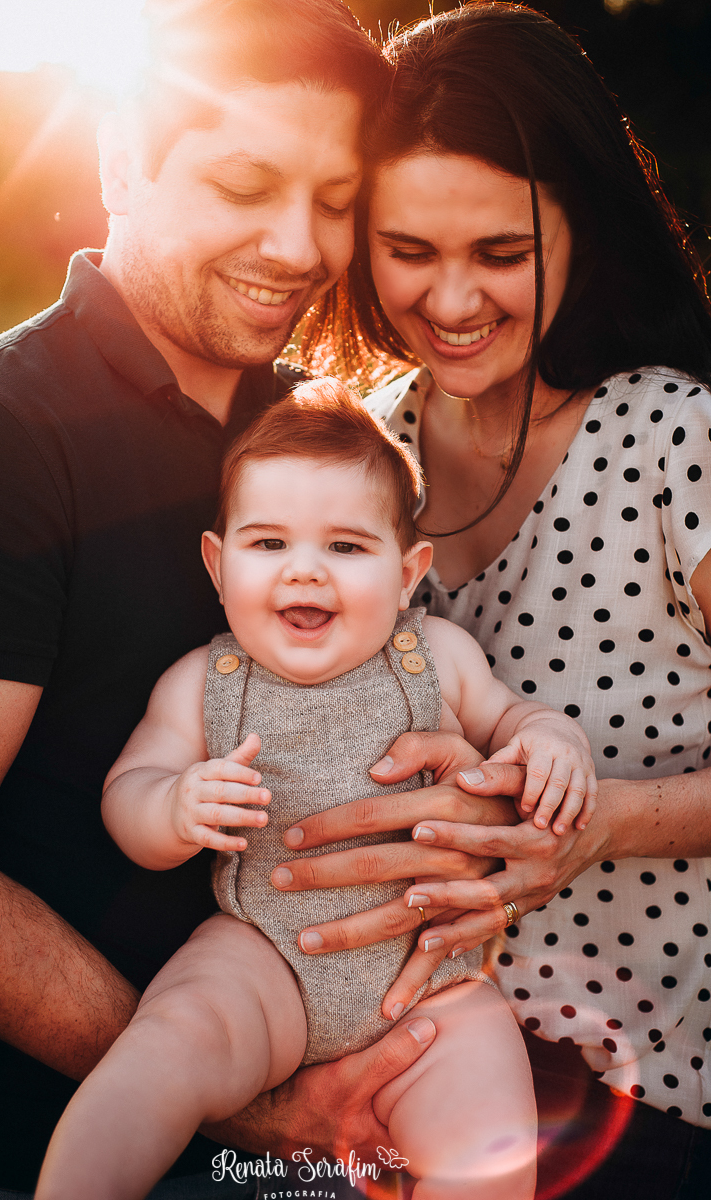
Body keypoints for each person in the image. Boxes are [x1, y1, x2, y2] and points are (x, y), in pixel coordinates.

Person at [0, 3, 457, 1196]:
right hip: (22, 1146)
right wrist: (233, 1100)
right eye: (246, 183)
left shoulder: (313, 432)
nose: (298, 244)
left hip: (309, 1104)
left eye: (332, 200)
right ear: (119, 159)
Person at [296, 4, 711, 1196]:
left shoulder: (670, 438)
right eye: (409, 249)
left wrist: (607, 825)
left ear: (581, 227)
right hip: (414, 1092)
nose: (452, 300)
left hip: (652, 1105)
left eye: (501, 252)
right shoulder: (361, 453)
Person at [36, 379, 603, 1200]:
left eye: (345, 547)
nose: (306, 572)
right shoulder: (205, 682)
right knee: (170, 1039)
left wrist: (551, 736)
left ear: (408, 572)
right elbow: (129, 792)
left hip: (428, 979)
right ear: (217, 563)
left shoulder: (434, 656)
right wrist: (175, 805)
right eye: (268, 545)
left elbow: (511, 717)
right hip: (265, 956)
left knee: (490, 1130)